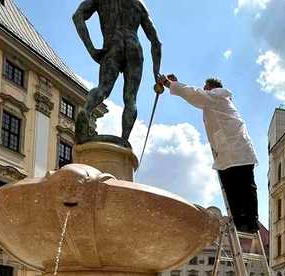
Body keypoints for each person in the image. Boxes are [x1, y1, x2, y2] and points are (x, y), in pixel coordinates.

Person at [159, 74, 259, 233]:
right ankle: (243, 222)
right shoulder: (218, 101)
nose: (203, 90)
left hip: (236, 152)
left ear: (210, 88)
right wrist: (175, 84)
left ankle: (249, 223)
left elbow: (194, 94)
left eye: (205, 88)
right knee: (235, 188)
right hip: (231, 153)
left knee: (243, 189)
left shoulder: (217, 96)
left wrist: (169, 83)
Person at [72, 0, 162, 142]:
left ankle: (86, 111)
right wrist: (156, 72)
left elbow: (77, 16)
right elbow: (156, 41)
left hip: (112, 45)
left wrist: (91, 48)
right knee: (131, 99)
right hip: (134, 48)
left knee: (103, 89)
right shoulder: (138, 3)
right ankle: (124, 140)